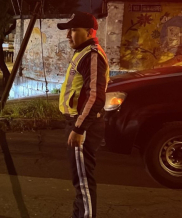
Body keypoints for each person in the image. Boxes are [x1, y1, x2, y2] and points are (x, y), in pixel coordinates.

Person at [57, 12, 109, 218]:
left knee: (84, 183)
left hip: (83, 127)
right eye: (68, 30)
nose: (68, 35)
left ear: (89, 32)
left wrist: (79, 128)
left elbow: (95, 95)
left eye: (73, 30)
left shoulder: (92, 55)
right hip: (78, 123)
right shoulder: (83, 53)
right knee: (80, 180)